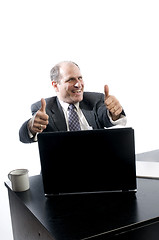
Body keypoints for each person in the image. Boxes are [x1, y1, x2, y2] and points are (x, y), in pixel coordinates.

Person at [19, 61, 127, 143]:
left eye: (80, 78)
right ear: (55, 85)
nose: (78, 84)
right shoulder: (43, 108)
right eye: (70, 79)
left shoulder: (95, 100)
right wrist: (31, 126)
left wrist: (114, 113)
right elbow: (24, 137)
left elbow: (106, 116)